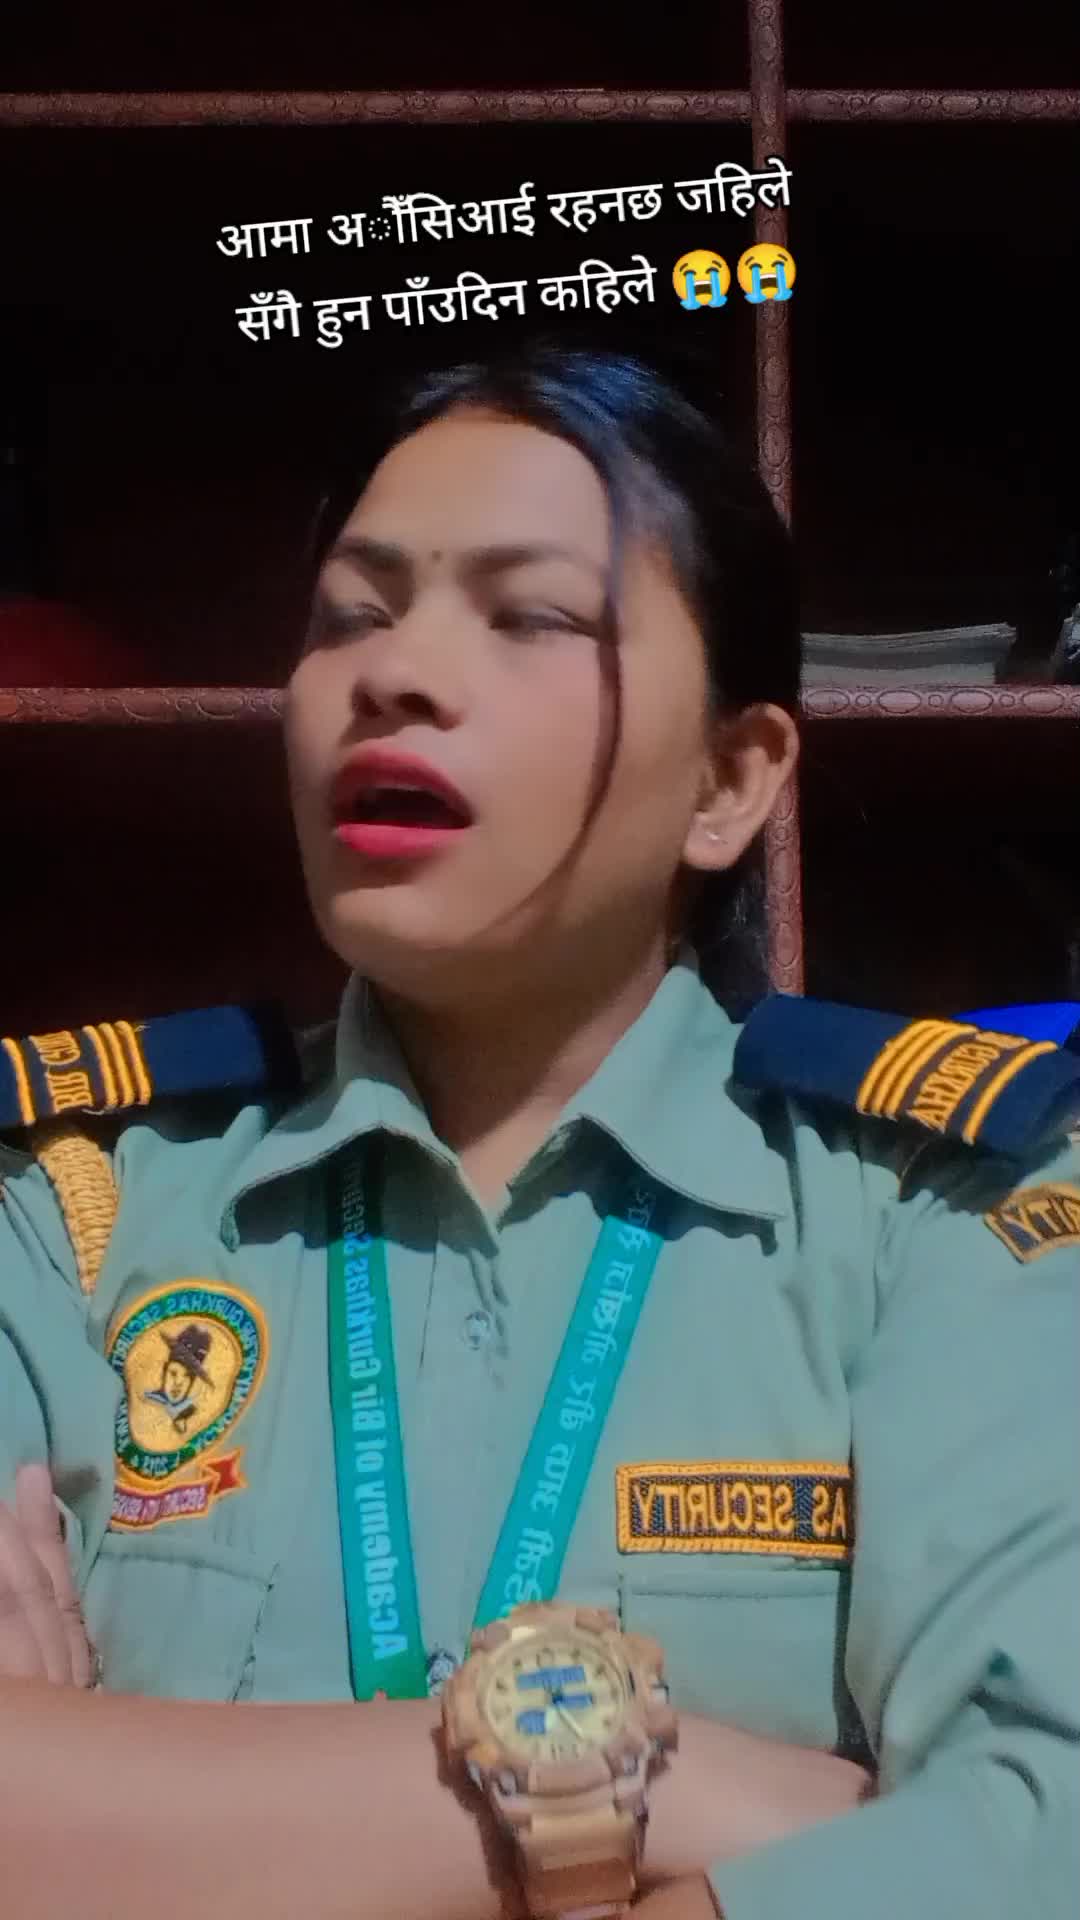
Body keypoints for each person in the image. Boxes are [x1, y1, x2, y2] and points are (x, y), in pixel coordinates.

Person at [0, 339, 1076, 1920]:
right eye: (350, 615)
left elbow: (1045, 1835)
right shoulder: (73, 1210)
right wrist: (680, 1793)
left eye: (531, 617)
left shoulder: (940, 1209)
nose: (395, 675)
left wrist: (138, 1820)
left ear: (729, 780)